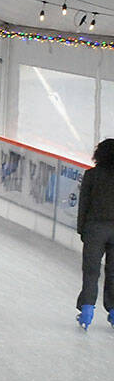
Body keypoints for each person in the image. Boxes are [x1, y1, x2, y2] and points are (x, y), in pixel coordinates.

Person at [76, 139, 114, 328]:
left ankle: (87, 309)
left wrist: (82, 230)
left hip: (95, 229)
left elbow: (83, 204)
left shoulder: (92, 175)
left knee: (91, 271)